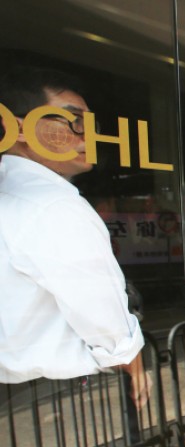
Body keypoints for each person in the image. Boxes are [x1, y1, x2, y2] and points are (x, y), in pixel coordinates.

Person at [0, 67, 147, 406]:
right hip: (64, 396)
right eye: (72, 121)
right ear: (17, 127)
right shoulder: (52, 204)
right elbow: (101, 310)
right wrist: (132, 361)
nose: (86, 136)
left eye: (90, 127)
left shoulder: (15, 195)